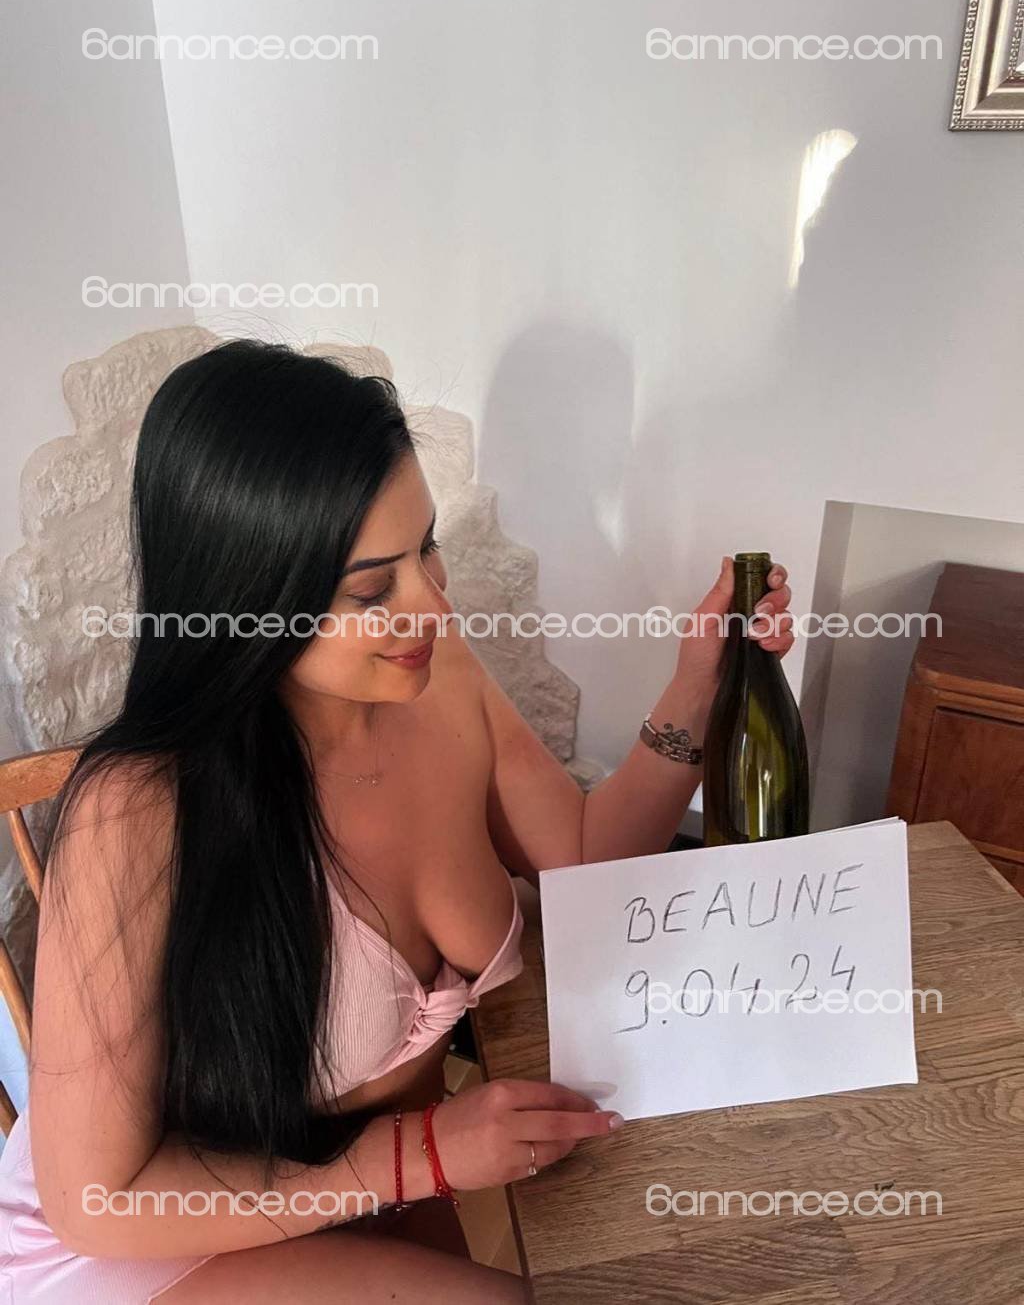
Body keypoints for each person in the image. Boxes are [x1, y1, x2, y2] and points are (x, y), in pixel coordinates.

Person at [0, 341, 793, 1302]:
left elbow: (584, 860)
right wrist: (424, 1153)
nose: (433, 604)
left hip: (366, 1191)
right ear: (247, 600)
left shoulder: (438, 674)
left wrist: (700, 683)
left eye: (427, 547)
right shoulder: (136, 811)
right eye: (374, 589)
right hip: (157, 1235)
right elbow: (97, 1201)